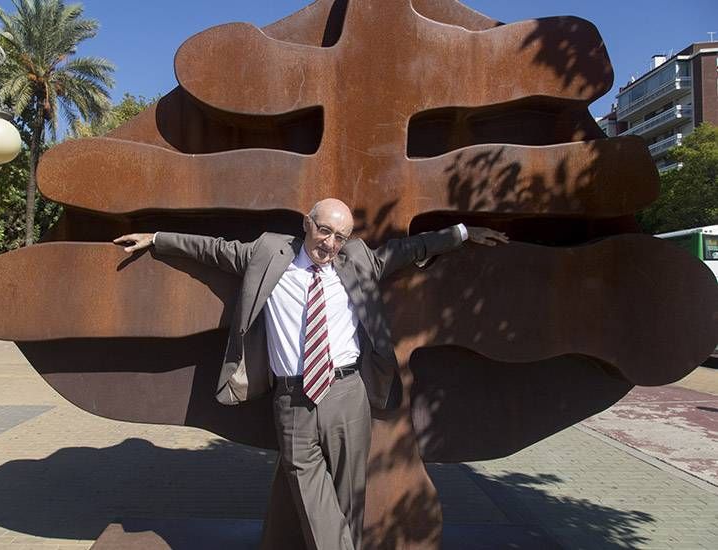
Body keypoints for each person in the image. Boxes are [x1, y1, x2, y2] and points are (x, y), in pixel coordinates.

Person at [114, 198, 508, 550]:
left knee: (348, 502)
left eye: (340, 236)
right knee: (311, 497)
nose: (330, 243)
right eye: (324, 230)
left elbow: (410, 249)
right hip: (291, 402)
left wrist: (461, 233)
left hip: (348, 395)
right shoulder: (269, 254)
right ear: (307, 223)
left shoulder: (357, 259)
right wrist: (157, 238)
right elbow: (213, 250)